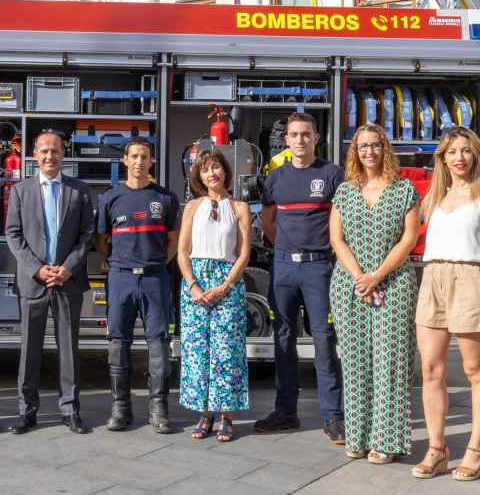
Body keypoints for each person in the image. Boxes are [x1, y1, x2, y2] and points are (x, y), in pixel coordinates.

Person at [412, 127, 480, 482]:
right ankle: (437, 449)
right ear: (442, 157)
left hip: (470, 278)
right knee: (431, 370)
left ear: (476, 155)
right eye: (452, 152)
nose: (459, 158)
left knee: (474, 372)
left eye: (466, 151)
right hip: (433, 279)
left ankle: (476, 450)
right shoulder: (434, 198)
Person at [329, 124, 420, 463]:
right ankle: (358, 436)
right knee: (355, 363)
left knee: (391, 363)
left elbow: (408, 240)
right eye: (362, 146)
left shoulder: (405, 190)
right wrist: (359, 278)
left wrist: (377, 275)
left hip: (393, 284)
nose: (368, 152)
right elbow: (337, 239)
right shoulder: (345, 191)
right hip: (350, 287)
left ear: (385, 149)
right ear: (355, 152)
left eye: (375, 145)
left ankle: (387, 441)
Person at [255, 112, 346, 445]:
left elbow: (342, 221)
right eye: (294, 135)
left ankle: (333, 416)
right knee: (283, 339)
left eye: (306, 134)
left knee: (324, 340)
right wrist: (285, 247)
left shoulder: (333, 175)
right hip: (283, 267)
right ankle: (285, 412)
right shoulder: (275, 178)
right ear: (287, 140)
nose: (300, 140)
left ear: (316, 138)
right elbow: (268, 221)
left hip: (318, 268)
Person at [5, 132, 96, 435]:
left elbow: (87, 235)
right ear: (34, 154)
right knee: (29, 349)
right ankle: (26, 412)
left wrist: (68, 268)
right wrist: (37, 269)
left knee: (69, 349)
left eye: (55, 151)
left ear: (63, 154)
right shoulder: (20, 191)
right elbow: (14, 235)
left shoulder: (80, 191)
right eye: (44, 151)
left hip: (67, 282)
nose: (49, 156)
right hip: (34, 283)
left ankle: (70, 411)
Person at [96, 139, 180, 434]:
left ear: (152, 161)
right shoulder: (110, 198)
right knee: (118, 343)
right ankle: (121, 408)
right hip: (120, 277)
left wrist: (156, 263)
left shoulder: (165, 198)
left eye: (144, 157)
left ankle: (159, 409)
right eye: (134, 156)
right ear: (125, 161)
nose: (139, 162)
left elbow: (174, 240)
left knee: (158, 344)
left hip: (155, 278)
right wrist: (119, 263)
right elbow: (101, 241)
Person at [176, 149, 252, 443]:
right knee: (197, 351)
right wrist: (193, 285)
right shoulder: (192, 206)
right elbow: (183, 251)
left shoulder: (241, 207)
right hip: (196, 280)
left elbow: (244, 253)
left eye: (216, 167)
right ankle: (204, 414)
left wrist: (225, 285)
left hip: (227, 281)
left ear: (225, 171)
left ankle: (227, 416)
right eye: (206, 169)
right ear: (199, 175)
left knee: (227, 351)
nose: (212, 174)